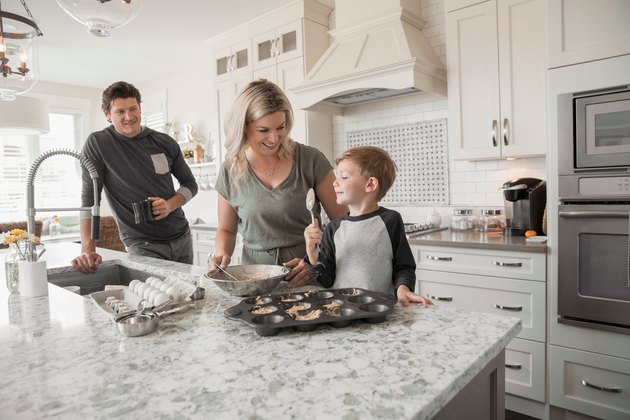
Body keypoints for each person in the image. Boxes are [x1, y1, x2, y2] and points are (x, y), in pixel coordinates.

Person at [209, 79, 348, 287]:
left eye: (280, 127)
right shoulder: (230, 170)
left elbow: (344, 222)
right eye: (264, 130)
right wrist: (221, 254)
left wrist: (316, 263)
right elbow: (227, 230)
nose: (274, 138)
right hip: (254, 282)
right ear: (244, 127)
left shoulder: (310, 160)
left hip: (307, 278)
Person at [72, 81, 198, 273]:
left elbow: (190, 185)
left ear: (140, 108)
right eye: (120, 111)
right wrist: (88, 249)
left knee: (188, 300)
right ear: (107, 114)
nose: (128, 117)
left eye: (133, 109)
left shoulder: (164, 142)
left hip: (182, 238)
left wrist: (169, 205)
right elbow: (89, 199)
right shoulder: (99, 144)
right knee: (153, 301)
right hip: (142, 246)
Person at [303, 146, 432, 307]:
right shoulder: (333, 228)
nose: (335, 183)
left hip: (381, 309)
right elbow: (326, 279)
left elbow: (404, 266)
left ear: (370, 184)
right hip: (343, 310)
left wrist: (403, 290)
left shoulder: (390, 220)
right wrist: (313, 255)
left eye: (343, 177)